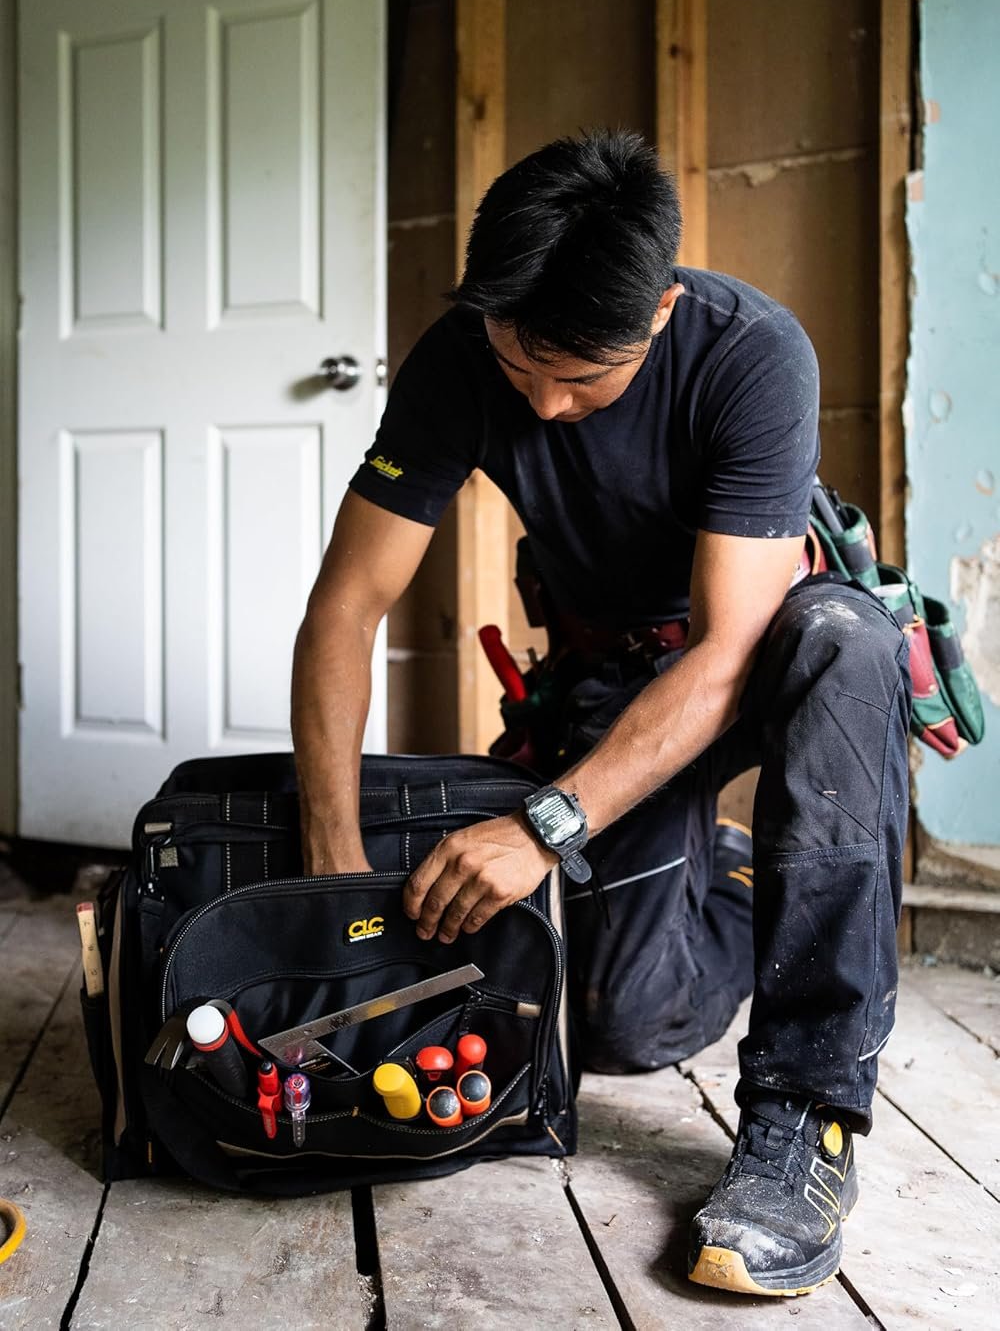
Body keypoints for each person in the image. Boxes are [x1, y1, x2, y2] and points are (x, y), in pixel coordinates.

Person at [291, 131, 911, 1298]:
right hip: (614, 671)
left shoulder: (751, 354)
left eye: (585, 376)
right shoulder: (459, 362)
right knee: (624, 1027)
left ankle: (807, 1118)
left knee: (846, 646)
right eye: (523, 367)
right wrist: (334, 864)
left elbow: (729, 650)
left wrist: (543, 828)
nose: (549, 403)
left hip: (756, 645)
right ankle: (732, 880)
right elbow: (345, 609)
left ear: (661, 310)